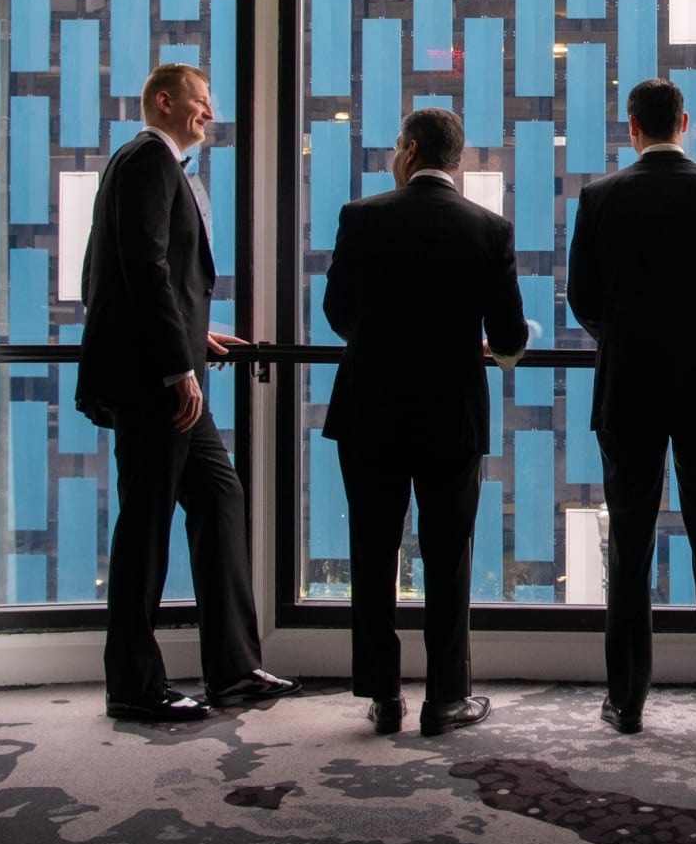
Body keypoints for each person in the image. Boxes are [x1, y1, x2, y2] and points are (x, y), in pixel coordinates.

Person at [75, 63, 297, 721]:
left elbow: (133, 279)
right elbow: (140, 267)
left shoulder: (151, 166)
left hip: (164, 373)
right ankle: (134, 686)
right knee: (143, 527)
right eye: (201, 102)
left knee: (219, 497)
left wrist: (200, 338)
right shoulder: (148, 160)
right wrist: (179, 367)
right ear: (165, 101)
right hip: (156, 386)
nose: (210, 113)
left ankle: (233, 668)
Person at [566, 78, 696, 737]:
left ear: (632, 126)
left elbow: (583, 298)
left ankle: (626, 700)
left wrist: (626, 343)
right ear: (684, 122)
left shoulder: (599, 198)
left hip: (627, 386)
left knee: (629, 542)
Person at [321, 108, 527, 737]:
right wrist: (492, 351)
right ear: (456, 160)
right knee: (447, 558)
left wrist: (382, 341)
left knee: (374, 554)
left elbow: (338, 312)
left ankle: (383, 696)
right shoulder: (489, 229)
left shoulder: (363, 217)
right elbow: (510, 336)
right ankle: (445, 700)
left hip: (371, 409)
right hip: (451, 412)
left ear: (409, 150)